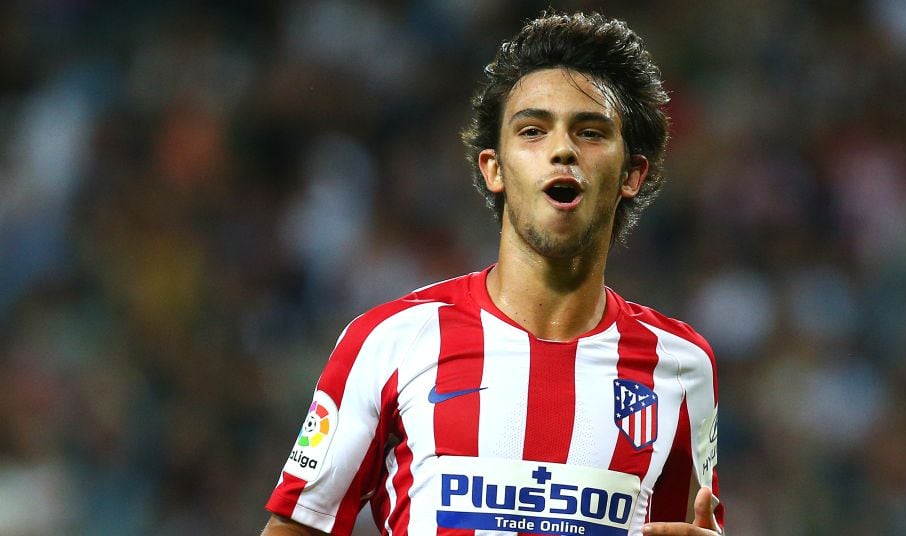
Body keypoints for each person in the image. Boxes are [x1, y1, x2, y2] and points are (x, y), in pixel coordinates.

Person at [262, 11, 723, 536]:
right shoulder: (390, 342)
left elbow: (685, 526)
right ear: (494, 168)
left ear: (631, 175)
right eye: (532, 130)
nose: (563, 149)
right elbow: (296, 527)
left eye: (590, 132)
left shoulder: (683, 368)